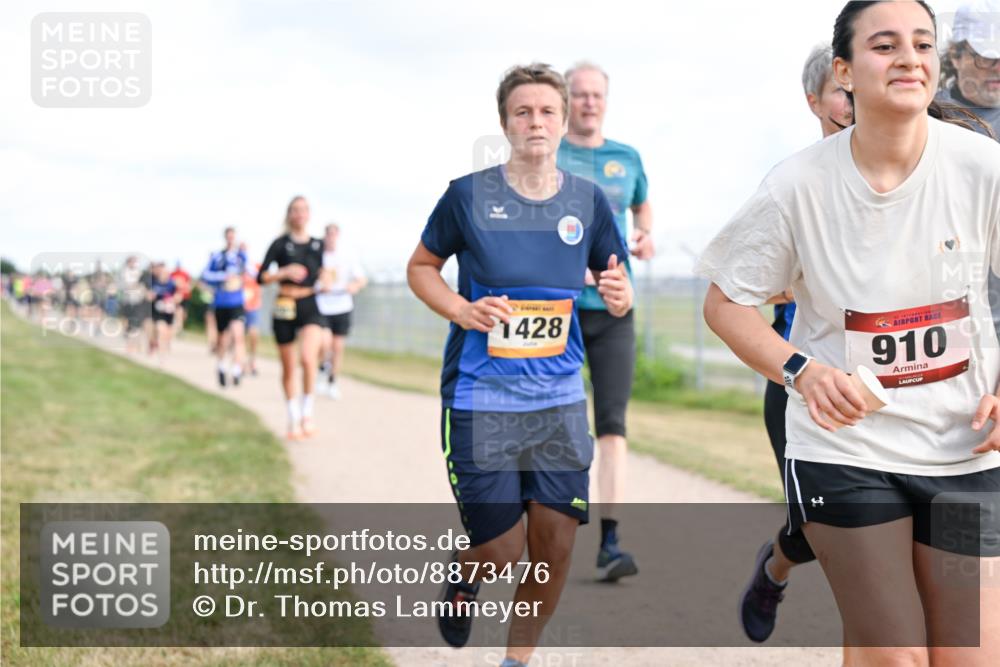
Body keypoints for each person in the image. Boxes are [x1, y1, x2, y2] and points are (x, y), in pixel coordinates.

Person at [698, 2, 1000, 663]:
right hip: (846, 447)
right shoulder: (797, 185)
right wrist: (801, 370)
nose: (908, 58)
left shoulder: (983, 167)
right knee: (896, 654)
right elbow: (726, 303)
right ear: (844, 70)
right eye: (885, 45)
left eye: (922, 44)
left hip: (964, 448)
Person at [407, 63, 632, 666]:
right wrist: (460, 309)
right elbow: (421, 268)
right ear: (505, 122)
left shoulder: (588, 201)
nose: (536, 121)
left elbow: (617, 280)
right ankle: (466, 570)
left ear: (564, 120)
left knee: (554, 547)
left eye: (547, 111)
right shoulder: (467, 196)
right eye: (523, 112)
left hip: (558, 401)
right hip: (481, 399)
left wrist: (619, 294)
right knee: (505, 550)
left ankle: (516, 660)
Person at [738, 43, 854, 643]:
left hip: (892, 383)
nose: (855, 102)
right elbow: (735, 288)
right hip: (802, 383)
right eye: (842, 92)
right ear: (814, 101)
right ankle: (774, 571)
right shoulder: (792, 185)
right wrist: (789, 281)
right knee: (816, 527)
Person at [556, 61, 652, 581]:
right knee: (561, 424)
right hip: (561, 310)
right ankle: (549, 531)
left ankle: (610, 542)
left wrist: (645, 234)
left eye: (596, 94)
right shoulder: (551, 156)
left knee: (612, 424)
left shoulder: (626, 158)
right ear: (566, 100)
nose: (589, 102)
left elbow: (642, 205)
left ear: (606, 101)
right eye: (580, 94)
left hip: (615, 309)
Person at [258, 196, 326, 440]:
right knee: (288, 367)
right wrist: (283, 272)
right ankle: (293, 417)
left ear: (309, 214)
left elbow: (326, 272)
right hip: (284, 305)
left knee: (308, 359)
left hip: (309, 304)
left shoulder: (318, 244)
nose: (299, 214)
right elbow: (261, 277)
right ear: (289, 214)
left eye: (303, 210)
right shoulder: (279, 244)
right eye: (295, 210)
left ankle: (307, 414)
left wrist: (326, 279)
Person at [316, 223, 367, 399]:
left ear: (337, 236)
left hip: (342, 306)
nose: (331, 238)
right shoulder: (318, 255)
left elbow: (361, 279)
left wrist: (355, 286)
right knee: (324, 343)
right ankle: (322, 367)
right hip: (322, 305)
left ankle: (332, 381)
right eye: (328, 234)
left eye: (334, 234)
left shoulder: (347, 255)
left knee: (337, 347)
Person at [201, 227, 249, 387]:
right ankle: (221, 365)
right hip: (221, 302)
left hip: (237, 302)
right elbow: (205, 275)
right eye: (228, 237)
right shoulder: (217, 256)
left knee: (238, 335)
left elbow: (253, 272)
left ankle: (236, 369)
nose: (231, 240)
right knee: (223, 339)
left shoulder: (241, 256)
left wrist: (245, 254)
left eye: (233, 237)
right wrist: (223, 276)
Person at [148, 261, 179, 360]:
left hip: (169, 312)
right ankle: (160, 355)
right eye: (162, 273)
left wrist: (173, 300)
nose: (164, 275)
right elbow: (149, 295)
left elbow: (178, 295)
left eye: (166, 273)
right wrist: (151, 296)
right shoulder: (154, 283)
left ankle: (160, 347)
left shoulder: (172, 283)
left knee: (167, 333)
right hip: (157, 311)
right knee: (161, 330)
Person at [243, 258, 262, 377]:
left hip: (253, 306)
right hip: (239, 306)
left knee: (253, 334)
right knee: (240, 337)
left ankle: (252, 361)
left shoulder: (255, 266)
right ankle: (241, 363)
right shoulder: (236, 264)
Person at [169, 261, 192, 335]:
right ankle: (178, 329)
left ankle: (179, 328)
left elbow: (189, 285)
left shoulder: (185, 274)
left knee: (184, 314)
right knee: (178, 312)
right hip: (176, 296)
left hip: (185, 296)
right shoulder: (172, 274)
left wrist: (184, 289)